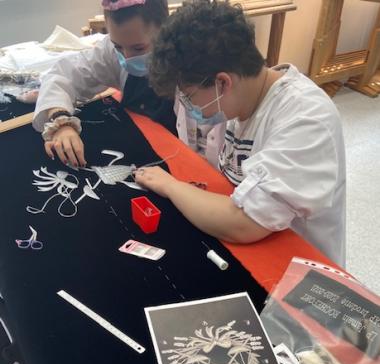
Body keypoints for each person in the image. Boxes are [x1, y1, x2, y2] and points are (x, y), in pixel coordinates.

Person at [135, 0, 346, 266]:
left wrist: (169, 186)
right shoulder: (241, 101)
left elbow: (244, 223)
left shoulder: (307, 118)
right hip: (258, 250)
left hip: (301, 269)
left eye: (189, 98)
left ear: (223, 82)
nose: (190, 108)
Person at [33, 0, 224, 170]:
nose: (127, 56)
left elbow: (212, 153)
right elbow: (63, 74)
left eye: (139, 48)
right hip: (138, 147)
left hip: (179, 162)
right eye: (118, 46)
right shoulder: (114, 49)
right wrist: (61, 121)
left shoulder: (196, 69)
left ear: (165, 30)